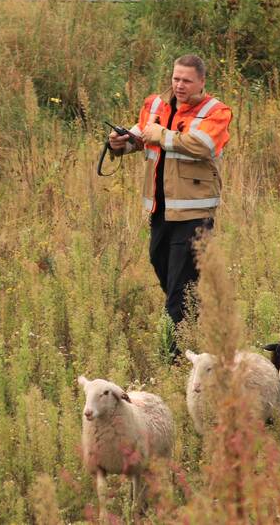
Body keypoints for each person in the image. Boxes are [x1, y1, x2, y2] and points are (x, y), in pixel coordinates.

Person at [108, 54, 232, 351]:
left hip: (194, 212)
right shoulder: (156, 104)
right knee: (163, 267)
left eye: (187, 80)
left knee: (179, 287)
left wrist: (161, 134)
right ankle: (192, 319)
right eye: (176, 78)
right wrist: (120, 143)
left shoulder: (215, 112)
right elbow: (141, 136)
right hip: (161, 209)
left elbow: (203, 146)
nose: (179, 85)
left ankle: (172, 354)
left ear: (201, 82)